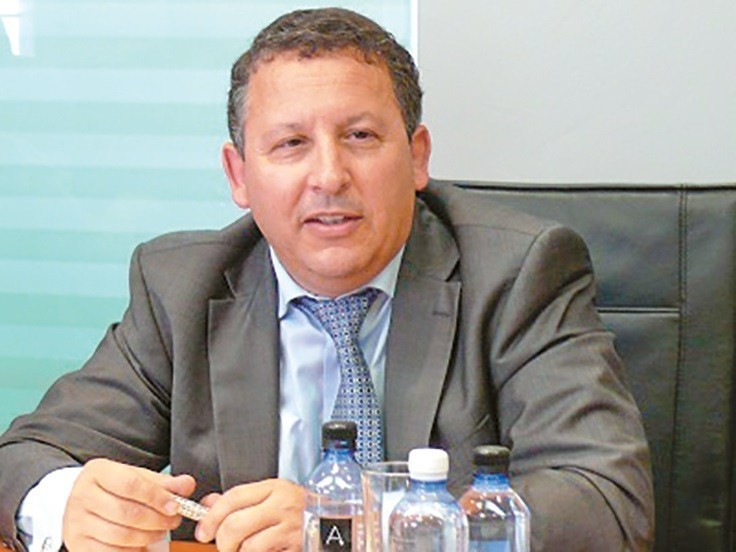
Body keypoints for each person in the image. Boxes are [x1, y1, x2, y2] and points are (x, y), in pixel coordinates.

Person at [0, 7, 654, 551]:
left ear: (417, 157)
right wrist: (66, 502)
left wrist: (355, 525)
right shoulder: (182, 287)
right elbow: (22, 458)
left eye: (360, 136)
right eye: (291, 144)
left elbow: (605, 501)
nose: (329, 176)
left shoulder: (519, 273)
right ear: (239, 175)